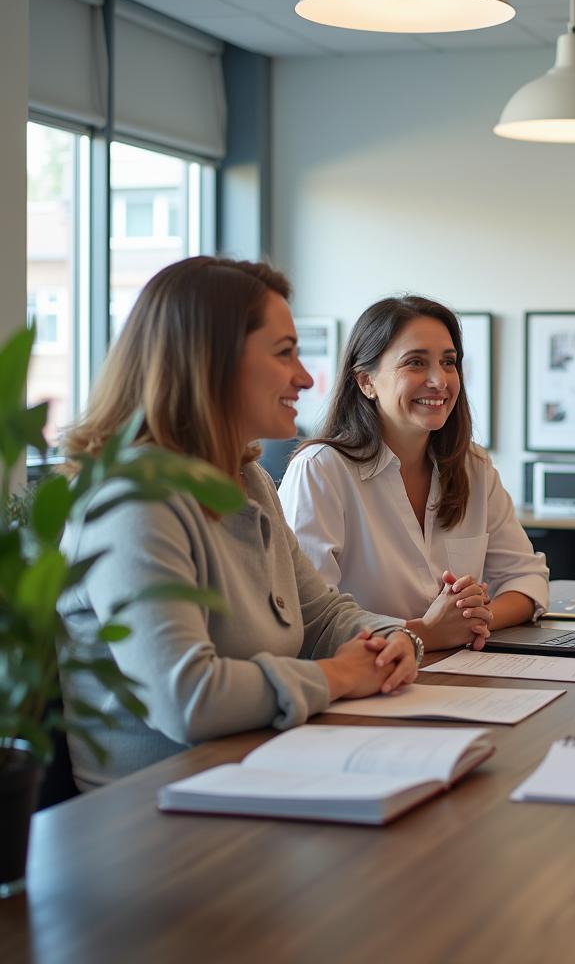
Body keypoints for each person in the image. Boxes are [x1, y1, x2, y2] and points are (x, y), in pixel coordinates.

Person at [59, 257, 420, 790]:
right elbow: (188, 698)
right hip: (153, 822)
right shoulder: (131, 498)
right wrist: (340, 674)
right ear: (209, 361)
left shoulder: (247, 479)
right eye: (285, 353)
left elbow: (320, 616)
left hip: (255, 778)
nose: (306, 377)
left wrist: (393, 641)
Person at [279, 296, 548, 653]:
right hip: (367, 678)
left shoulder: (474, 467)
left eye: (448, 363)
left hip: (458, 670)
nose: (439, 380)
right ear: (366, 382)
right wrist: (427, 631)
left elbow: (527, 579)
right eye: (416, 363)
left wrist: (472, 619)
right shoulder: (321, 470)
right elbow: (308, 620)